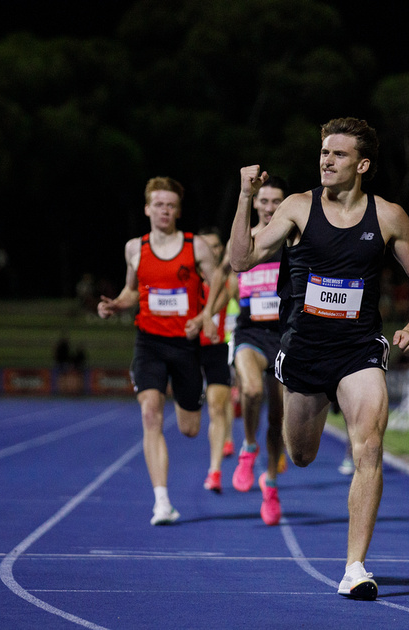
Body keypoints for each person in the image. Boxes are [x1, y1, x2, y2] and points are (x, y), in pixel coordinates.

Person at [229, 117, 409, 600]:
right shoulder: (298, 208)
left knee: (368, 449)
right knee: (300, 455)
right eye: (324, 152)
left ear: (362, 164)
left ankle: (355, 567)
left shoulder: (388, 217)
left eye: (339, 154)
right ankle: (276, 457)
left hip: (359, 350)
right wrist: (244, 197)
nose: (326, 160)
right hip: (303, 351)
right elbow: (241, 260)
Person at [97, 176, 218, 526]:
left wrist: (205, 314)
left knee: (190, 428)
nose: (164, 210)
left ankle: (197, 396)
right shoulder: (135, 248)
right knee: (150, 412)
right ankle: (162, 501)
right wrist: (116, 306)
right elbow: (132, 290)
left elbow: (219, 284)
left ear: (177, 211)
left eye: (170, 205)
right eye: (158, 204)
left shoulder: (196, 247)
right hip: (148, 341)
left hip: (185, 345)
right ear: (147, 208)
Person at [201, 177, 288, 527]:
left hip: (284, 336)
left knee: (278, 417)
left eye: (276, 202)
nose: (269, 207)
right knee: (250, 390)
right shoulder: (244, 240)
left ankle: (270, 484)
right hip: (250, 331)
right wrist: (208, 313)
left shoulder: (293, 237)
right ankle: (248, 447)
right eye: (263, 201)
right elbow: (223, 278)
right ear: (255, 203)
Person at [196, 227, 236, 494]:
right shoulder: (186, 276)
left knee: (216, 407)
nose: (212, 251)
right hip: (186, 350)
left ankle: (215, 471)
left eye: (216, 246)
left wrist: (203, 318)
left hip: (217, 347)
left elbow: (223, 300)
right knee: (189, 420)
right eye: (206, 246)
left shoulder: (228, 279)